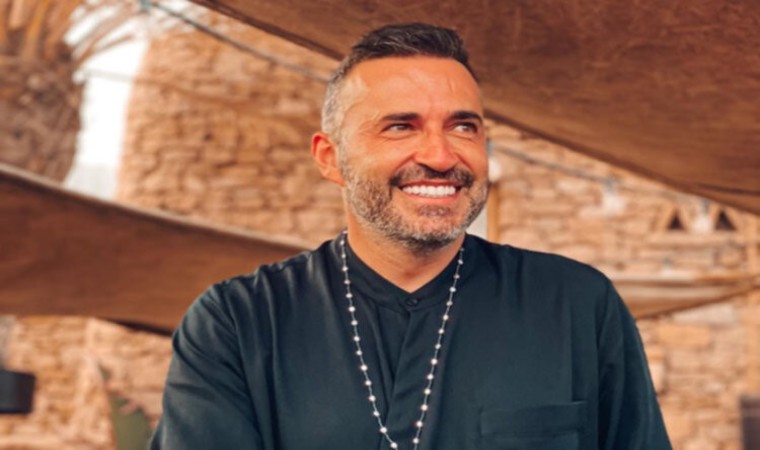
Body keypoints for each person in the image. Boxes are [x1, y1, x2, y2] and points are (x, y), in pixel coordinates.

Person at [150, 23, 671, 450]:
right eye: (400, 126)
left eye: (463, 127)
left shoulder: (576, 304)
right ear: (331, 158)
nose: (440, 156)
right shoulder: (238, 323)